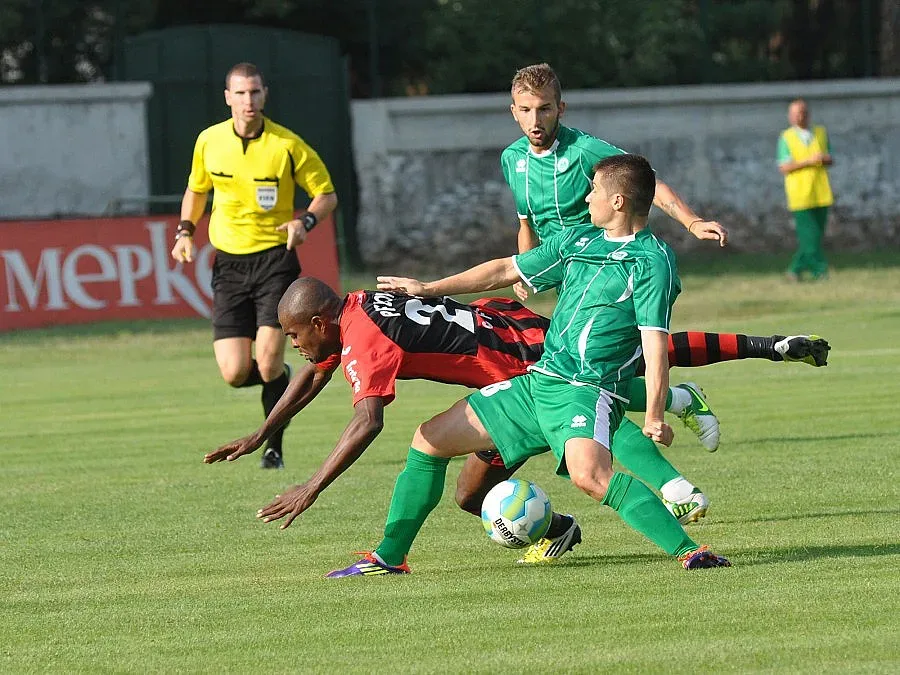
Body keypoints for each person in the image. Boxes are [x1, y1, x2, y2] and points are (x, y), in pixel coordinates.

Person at [295, 154, 734, 575]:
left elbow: (654, 345)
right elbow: (506, 269)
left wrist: (655, 414)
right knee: (429, 439)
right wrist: (429, 288)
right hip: (537, 381)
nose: (587, 199)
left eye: (594, 190)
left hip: (587, 389)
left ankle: (691, 552)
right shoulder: (579, 240)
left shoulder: (652, 262)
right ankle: (389, 558)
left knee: (591, 478)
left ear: (618, 201)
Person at [211, 275, 826, 563]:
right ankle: (558, 526)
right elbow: (319, 367)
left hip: (529, 368)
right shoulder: (354, 309)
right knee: (469, 495)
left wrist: (311, 487)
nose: (292, 346)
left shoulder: (363, 336)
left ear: (318, 322)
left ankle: (709, 394)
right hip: (509, 351)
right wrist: (264, 432)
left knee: (644, 354)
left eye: (293, 335)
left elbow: (367, 421)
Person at [171, 62, 338, 469]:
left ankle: (273, 448)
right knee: (234, 372)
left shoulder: (287, 145)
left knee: (263, 361)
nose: (249, 101)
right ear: (228, 97)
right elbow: (196, 190)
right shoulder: (209, 141)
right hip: (228, 264)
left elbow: (326, 195)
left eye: (255, 92)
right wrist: (185, 231)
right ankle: (278, 376)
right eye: (241, 93)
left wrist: (305, 222)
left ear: (265, 95)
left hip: (275, 262)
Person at [500, 63, 728, 303]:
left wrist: (693, 223)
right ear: (514, 111)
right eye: (525, 110)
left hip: (602, 268)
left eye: (544, 109)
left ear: (560, 109)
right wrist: (523, 268)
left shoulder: (583, 150)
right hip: (567, 277)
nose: (535, 120)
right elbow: (526, 224)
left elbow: (648, 182)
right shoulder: (512, 158)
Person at [777, 98, 834, 282]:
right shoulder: (787, 137)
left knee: (815, 237)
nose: (798, 117)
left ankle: (795, 270)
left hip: (821, 192)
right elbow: (784, 166)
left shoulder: (820, 133)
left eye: (802, 112)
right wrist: (809, 161)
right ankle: (820, 271)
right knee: (809, 237)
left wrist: (823, 158)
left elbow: (830, 157)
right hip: (800, 194)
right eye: (794, 113)